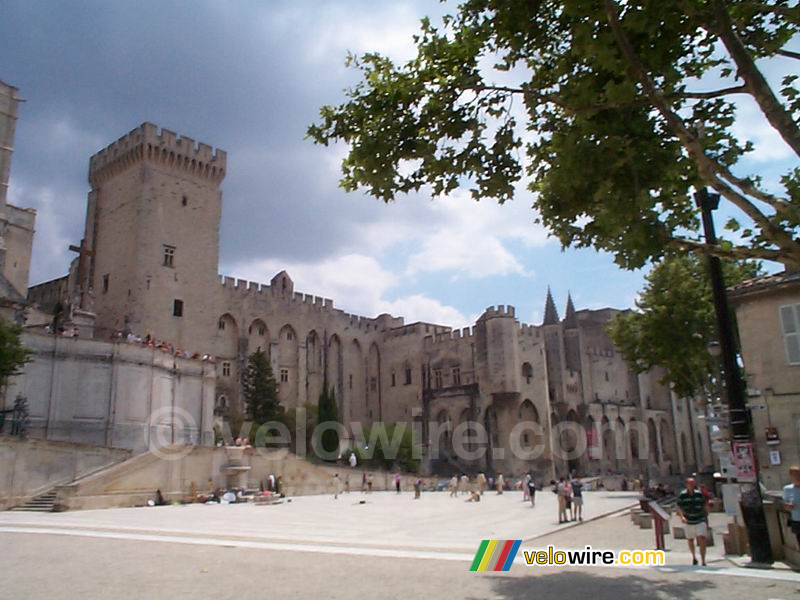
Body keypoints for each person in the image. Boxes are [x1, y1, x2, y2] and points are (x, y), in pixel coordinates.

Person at [677, 477, 708, 566]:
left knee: (702, 538)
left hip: (700, 519)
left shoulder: (699, 494)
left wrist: (706, 514)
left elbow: (704, 504)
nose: (692, 485)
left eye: (693, 483)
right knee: (690, 540)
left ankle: (703, 560)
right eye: (690, 483)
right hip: (689, 521)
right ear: (686, 485)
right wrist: (682, 517)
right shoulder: (682, 495)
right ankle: (694, 557)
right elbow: (679, 507)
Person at [783, 465, 800, 546]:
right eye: (794, 475)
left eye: (798, 474)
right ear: (791, 476)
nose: (797, 477)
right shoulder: (787, 489)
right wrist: (788, 506)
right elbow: (785, 504)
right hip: (797, 521)